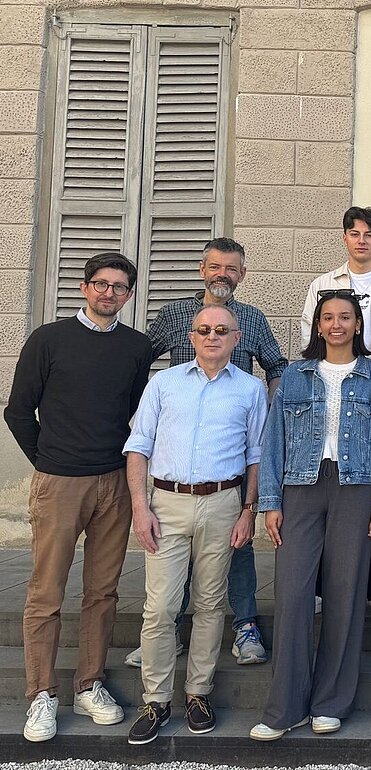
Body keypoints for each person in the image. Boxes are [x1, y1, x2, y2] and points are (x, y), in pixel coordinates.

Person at [6, 252, 154, 743]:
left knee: (102, 591)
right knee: (46, 592)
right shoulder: (48, 339)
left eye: (119, 286)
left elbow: (135, 412)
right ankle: (41, 694)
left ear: (129, 294)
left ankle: (89, 683)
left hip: (113, 480)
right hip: (59, 482)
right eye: (101, 284)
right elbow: (18, 410)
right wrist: (47, 460)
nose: (109, 293)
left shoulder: (136, 348)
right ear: (84, 287)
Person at [250, 290, 371, 741]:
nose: (337, 324)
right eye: (328, 317)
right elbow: (271, 441)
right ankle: (286, 706)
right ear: (317, 325)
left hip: (357, 486)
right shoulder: (294, 376)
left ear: (358, 325)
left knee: (345, 592)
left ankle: (330, 701)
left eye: (346, 317)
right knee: (293, 592)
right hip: (301, 486)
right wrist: (270, 502)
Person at [133, 236, 286, 669]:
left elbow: (276, 365)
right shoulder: (176, 314)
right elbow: (139, 356)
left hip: (229, 451)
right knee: (172, 554)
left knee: (237, 547)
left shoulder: (252, 319)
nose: (223, 275)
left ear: (242, 275)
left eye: (232, 269)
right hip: (178, 451)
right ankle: (170, 634)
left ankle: (245, 625)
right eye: (216, 267)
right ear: (203, 269)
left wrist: (268, 410)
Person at [123, 305, 269, 744]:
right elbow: (138, 447)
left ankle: (198, 693)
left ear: (236, 337)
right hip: (165, 503)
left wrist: (248, 510)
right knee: (161, 608)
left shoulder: (251, 389)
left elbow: (256, 454)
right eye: (204, 330)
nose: (212, 336)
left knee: (209, 604)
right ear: (191, 336)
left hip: (223, 502)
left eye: (221, 330)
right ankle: (156, 699)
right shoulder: (163, 384)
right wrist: (139, 507)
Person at [300, 206, 371, 617]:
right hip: (331, 388)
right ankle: (318, 585)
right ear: (345, 238)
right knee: (323, 492)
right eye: (354, 232)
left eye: (369, 233)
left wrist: (370, 369)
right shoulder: (323, 284)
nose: (362, 239)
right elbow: (309, 330)